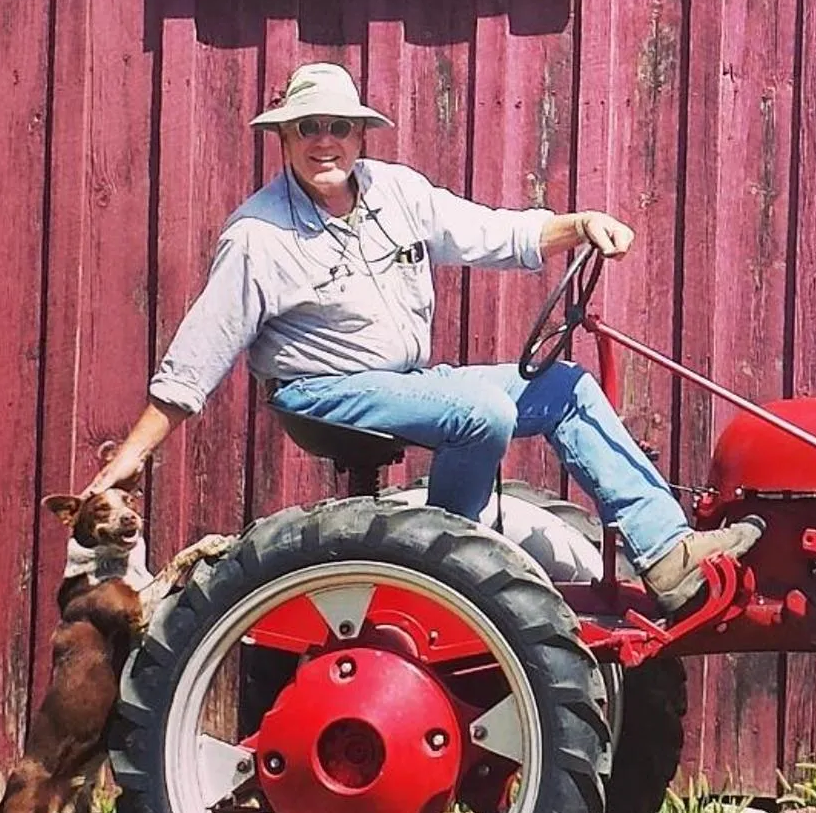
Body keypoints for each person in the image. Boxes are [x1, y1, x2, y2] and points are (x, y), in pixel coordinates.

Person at [88, 62, 759, 617]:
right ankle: (448, 567)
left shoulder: (396, 192)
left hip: (406, 382)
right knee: (482, 411)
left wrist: (578, 224)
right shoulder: (257, 236)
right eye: (308, 128)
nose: (326, 142)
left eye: (339, 128)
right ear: (284, 139)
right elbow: (194, 363)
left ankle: (667, 553)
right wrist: (129, 459)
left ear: (360, 136)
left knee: (565, 388)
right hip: (320, 392)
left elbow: (496, 233)